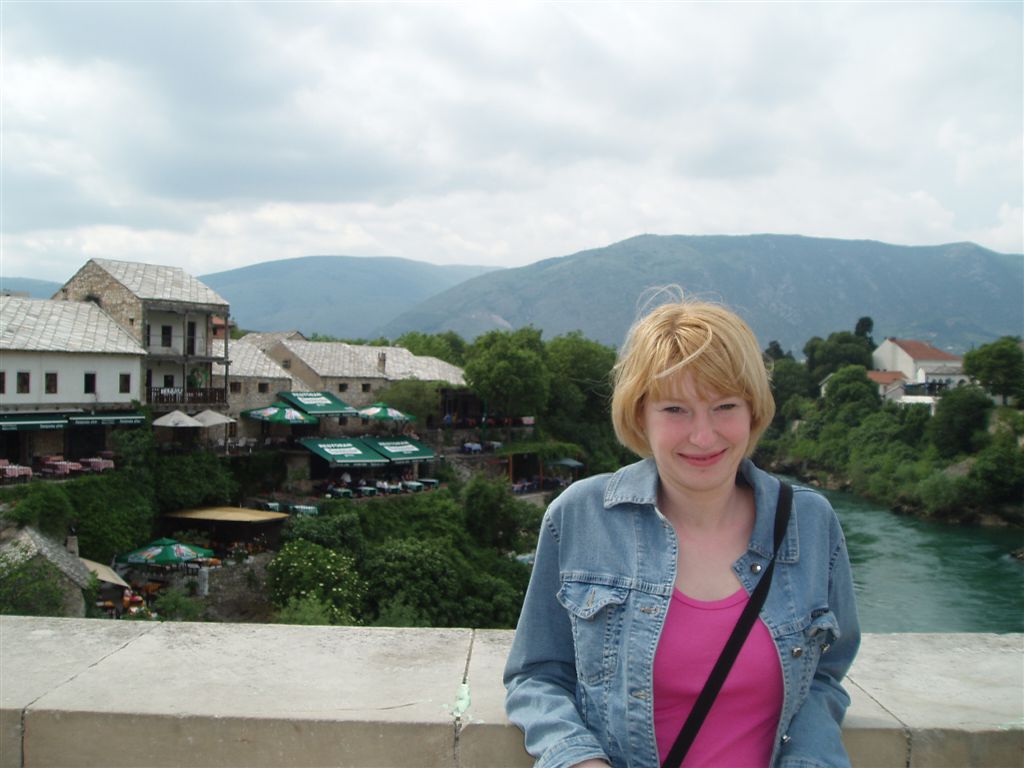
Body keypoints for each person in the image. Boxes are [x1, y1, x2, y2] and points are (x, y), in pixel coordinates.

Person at [504, 294, 860, 768]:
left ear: (753, 411)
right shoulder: (580, 518)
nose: (703, 436)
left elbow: (824, 676)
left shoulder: (809, 524)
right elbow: (536, 675)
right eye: (675, 409)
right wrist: (579, 760)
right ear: (640, 415)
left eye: (724, 406)